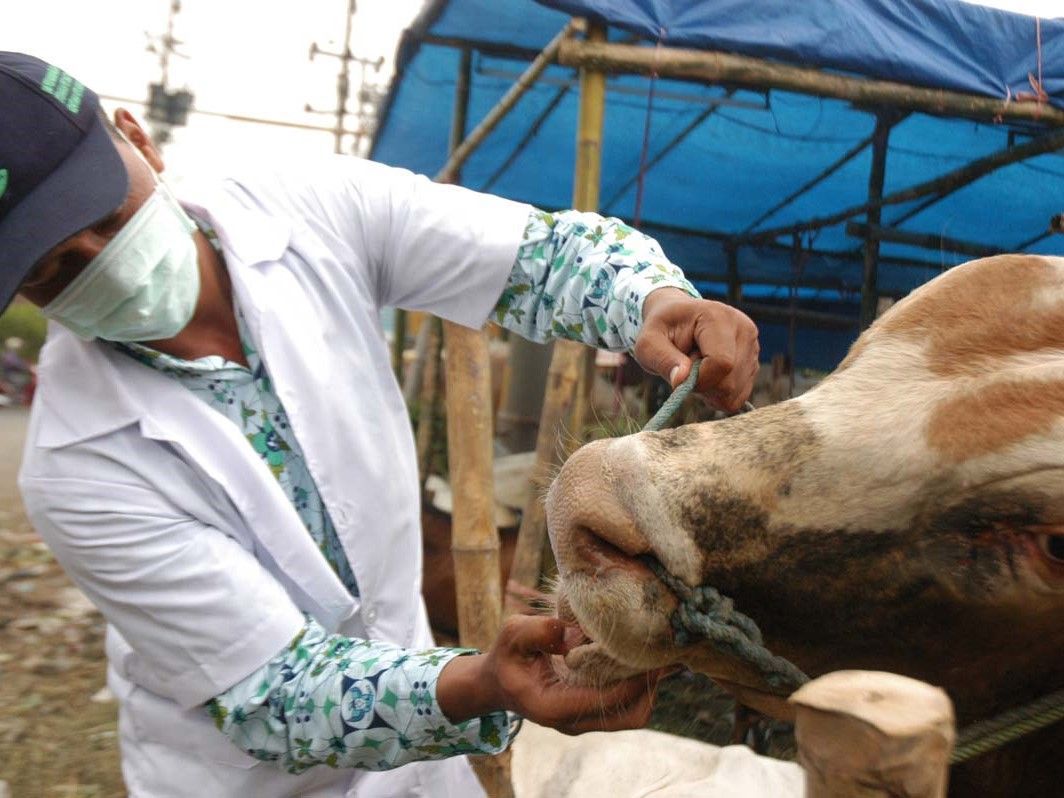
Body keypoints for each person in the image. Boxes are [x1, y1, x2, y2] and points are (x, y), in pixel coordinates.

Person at [0, 52, 759, 797]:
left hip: (423, 758)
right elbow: (274, 690)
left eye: (103, 214)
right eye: (48, 266)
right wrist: (478, 683)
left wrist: (650, 300)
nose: (102, 262)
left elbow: (534, 256)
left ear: (137, 136)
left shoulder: (302, 202)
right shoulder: (75, 465)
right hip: (243, 782)